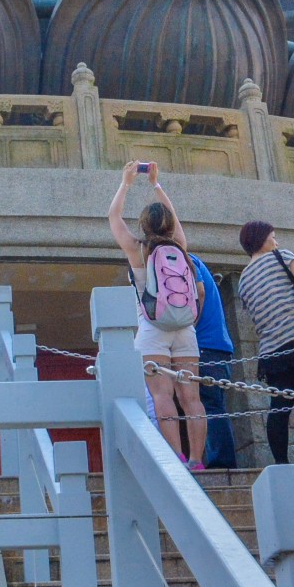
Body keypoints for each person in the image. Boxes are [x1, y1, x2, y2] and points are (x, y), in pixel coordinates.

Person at [107, 161, 207, 468]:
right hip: (185, 329)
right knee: (191, 397)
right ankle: (196, 460)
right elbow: (174, 218)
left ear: (144, 226)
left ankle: (175, 458)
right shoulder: (180, 246)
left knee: (162, 396)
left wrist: (126, 183)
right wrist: (156, 184)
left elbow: (113, 217)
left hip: (152, 327)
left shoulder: (138, 250)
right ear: (169, 224)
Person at [235, 221, 294, 464]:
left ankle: (281, 464)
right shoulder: (281, 256)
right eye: (273, 237)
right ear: (262, 239)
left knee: (279, 408)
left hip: (272, 351)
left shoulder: (243, 280)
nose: (276, 242)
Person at [186, 254, 238, 469]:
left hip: (204, 346)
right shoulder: (195, 261)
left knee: (211, 405)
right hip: (215, 346)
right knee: (212, 405)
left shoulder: (184, 260)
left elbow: (199, 292)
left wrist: (188, 327)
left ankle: (220, 463)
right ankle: (218, 460)